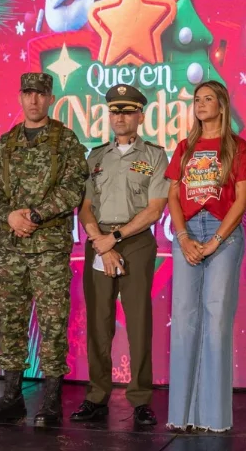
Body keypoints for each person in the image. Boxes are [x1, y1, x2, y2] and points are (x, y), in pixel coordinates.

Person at [0, 73, 88, 427]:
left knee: (53, 322)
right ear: (20, 97)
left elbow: (75, 186)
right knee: (10, 321)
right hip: (10, 248)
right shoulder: (6, 143)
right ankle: (12, 397)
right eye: (27, 93)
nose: (34, 100)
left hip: (48, 249)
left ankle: (52, 400)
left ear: (50, 98)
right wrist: (10, 215)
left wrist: (37, 215)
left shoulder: (65, 141)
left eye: (40, 94)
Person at [71, 84, 168, 426]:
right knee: (99, 322)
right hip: (100, 240)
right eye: (115, 111)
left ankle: (140, 398)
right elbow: (84, 207)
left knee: (139, 321)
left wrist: (114, 239)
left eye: (128, 111)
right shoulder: (95, 156)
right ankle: (97, 396)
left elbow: (155, 209)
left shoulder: (155, 156)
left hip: (135, 241)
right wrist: (100, 240)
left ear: (141, 116)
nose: (120, 117)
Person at [165, 81, 246, 432]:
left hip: (223, 233)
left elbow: (243, 197)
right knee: (184, 318)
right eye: (197, 100)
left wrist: (217, 239)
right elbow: (173, 195)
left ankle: (213, 417)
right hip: (188, 232)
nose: (201, 104)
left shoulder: (238, 147)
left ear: (222, 105)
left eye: (208, 99)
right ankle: (181, 415)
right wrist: (183, 236)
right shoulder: (185, 148)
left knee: (216, 320)